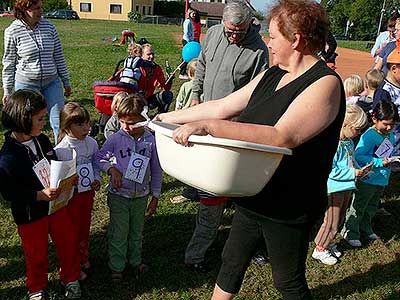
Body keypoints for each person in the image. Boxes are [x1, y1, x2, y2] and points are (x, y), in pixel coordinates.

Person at [156, 0, 344, 298]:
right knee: (230, 262)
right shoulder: (273, 73)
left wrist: (211, 127)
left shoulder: (326, 84)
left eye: (273, 37)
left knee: (287, 282)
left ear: (295, 40)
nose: (268, 44)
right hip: (254, 189)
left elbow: (283, 136)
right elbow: (222, 106)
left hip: (289, 202)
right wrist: (163, 117)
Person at [174, 0, 269, 272]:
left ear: (250, 24)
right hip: (202, 117)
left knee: (232, 192)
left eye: (239, 31)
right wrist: (195, 96)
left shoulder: (258, 50)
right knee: (211, 194)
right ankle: (197, 253)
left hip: (231, 129)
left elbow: (257, 94)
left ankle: (242, 245)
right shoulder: (214, 34)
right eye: (230, 31)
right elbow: (202, 65)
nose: (234, 36)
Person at [0, 89, 81, 300]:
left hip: (55, 207)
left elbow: (53, 164)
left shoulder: (42, 140)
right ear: (23, 119)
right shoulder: (9, 157)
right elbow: (9, 192)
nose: (44, 122)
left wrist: (68, 178)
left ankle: (71, 278)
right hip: (30, 214)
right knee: (35, 252)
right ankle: (36, 288)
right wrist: (38, 195)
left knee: (67, 241)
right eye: (40, 118)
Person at [95, 93, 162, 281]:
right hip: (119, 196)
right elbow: (99, 157)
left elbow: (156, 170)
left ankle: (135, 261)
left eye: (131, 122)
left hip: (141, 197)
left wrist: (155, 195)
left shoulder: (151, 141)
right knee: (119, 232)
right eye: (122, 121)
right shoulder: (116, 138)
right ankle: (117, 266)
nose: (125, 127)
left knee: (136, 232)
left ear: (143, 120)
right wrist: (111, 170)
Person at [2, 0, 71, 141]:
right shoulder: (12, 31)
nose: (41, 12)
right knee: (27, 123)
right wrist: (7, 90)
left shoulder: (49, 27)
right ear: (24, 10)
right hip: (26, 84)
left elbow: (58, 55)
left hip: (51, 82)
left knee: (59, 120)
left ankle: (61, 153)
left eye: (41, 7)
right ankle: (30, 152)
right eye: (36, 8)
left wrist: (66, 81)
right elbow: (9, 62)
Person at [312, 104, 368, 265]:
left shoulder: (348, 142)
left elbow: (351, 160)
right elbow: (331, 170)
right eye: (357, 129)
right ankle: (320, 249)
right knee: (331, 220)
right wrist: (353, 173)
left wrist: (359, 170)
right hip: (335, 188)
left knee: (340, 217)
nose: (359, 133)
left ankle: (328, 242)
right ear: (345, 125)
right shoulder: (333, 145)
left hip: (347, 186)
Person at [341, 101, 399, 247]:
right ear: (375, 119)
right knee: (359, 207)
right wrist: (380, 162)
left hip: (381, 180)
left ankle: (365, 227)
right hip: (368, 180)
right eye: (386, 123)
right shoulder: (369, 136)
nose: (389, 127)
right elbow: (359, 155)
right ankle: (350, 231)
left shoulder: (390, 135)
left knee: (371, 207)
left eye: (392, 124)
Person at [55, 102, 101, 281]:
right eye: (80, 124)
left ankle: (83, 255)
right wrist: (69, 183)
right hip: (70, 199)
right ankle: (71, 262)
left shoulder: (92, 143)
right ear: (67, 127)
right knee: (71, 231)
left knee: (84, 226)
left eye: (87, 123)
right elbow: (57, 179)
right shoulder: (61, 150)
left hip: (87, 195)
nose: (86, 128)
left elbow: (96, 164)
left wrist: (96, 178)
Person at [138, 43, 173, 115]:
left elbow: (165, 88)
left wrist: (170, 80)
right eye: (148, 54)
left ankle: (159, 118)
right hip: (135, 101)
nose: (152, 56)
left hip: (148, 100)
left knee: (168, 95)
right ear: (141, 55)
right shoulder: (136, 68)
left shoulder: (156, 68)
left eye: (153, 54)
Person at [180, 8, 195, 79]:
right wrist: (189, 42)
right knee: (186, 57)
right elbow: (186, 32)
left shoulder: (190, 21)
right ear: (189, 14)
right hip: (187, 41)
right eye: (193, 14)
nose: (194, 15)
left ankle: (182, 69)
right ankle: (182, 73)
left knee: (185, 56)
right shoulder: (187, 21)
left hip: (189, 40)